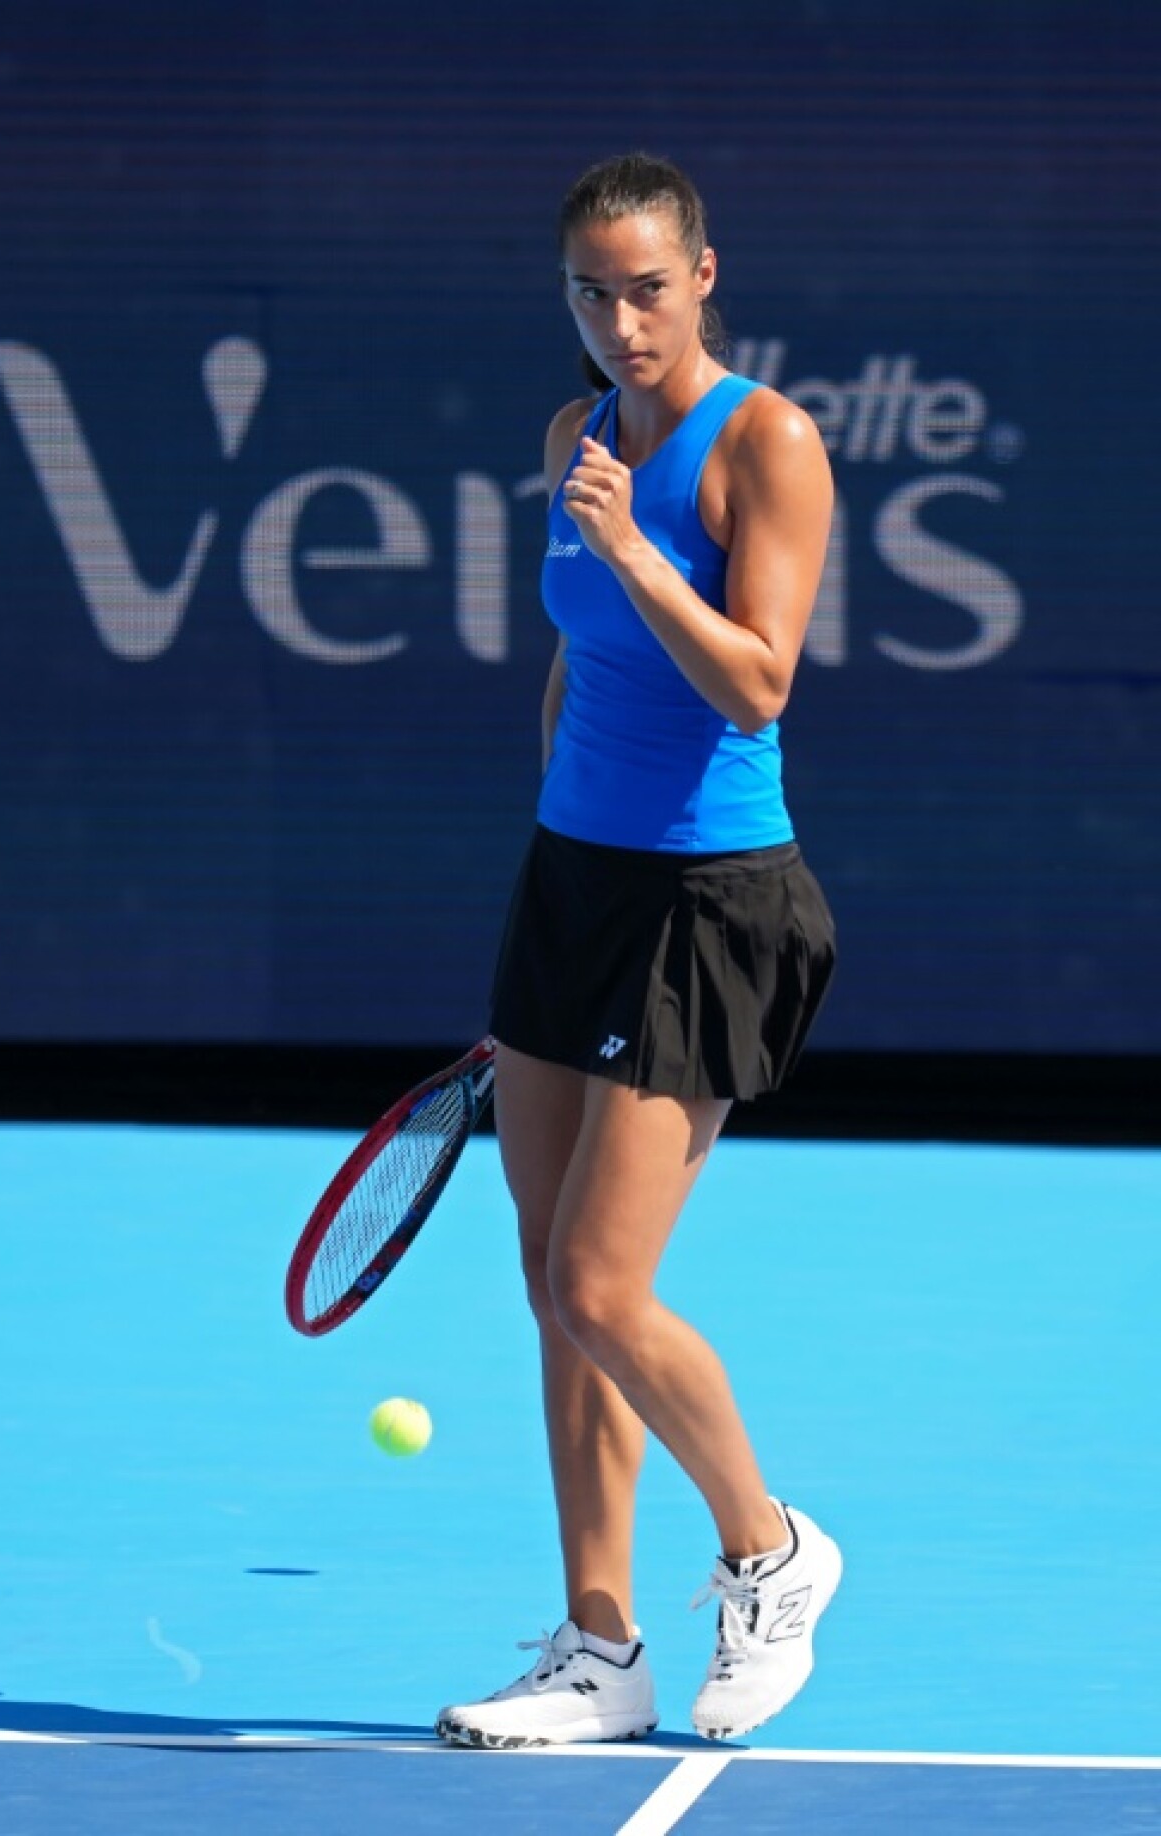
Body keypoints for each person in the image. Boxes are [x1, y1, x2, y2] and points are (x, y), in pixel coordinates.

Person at [436, 151, 840, 1749]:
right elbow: (577, 667)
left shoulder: (768, 443)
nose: (621, 322)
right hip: (575, 889)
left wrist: (632, 549)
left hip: (708, 901)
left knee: (603, 1284)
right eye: (591, 295)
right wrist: (554, 877)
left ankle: (772, 1552)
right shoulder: (574, 437)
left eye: (648, 289)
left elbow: (758, 682)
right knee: (551, 1282)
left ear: (705, 276)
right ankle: (598, 1651)